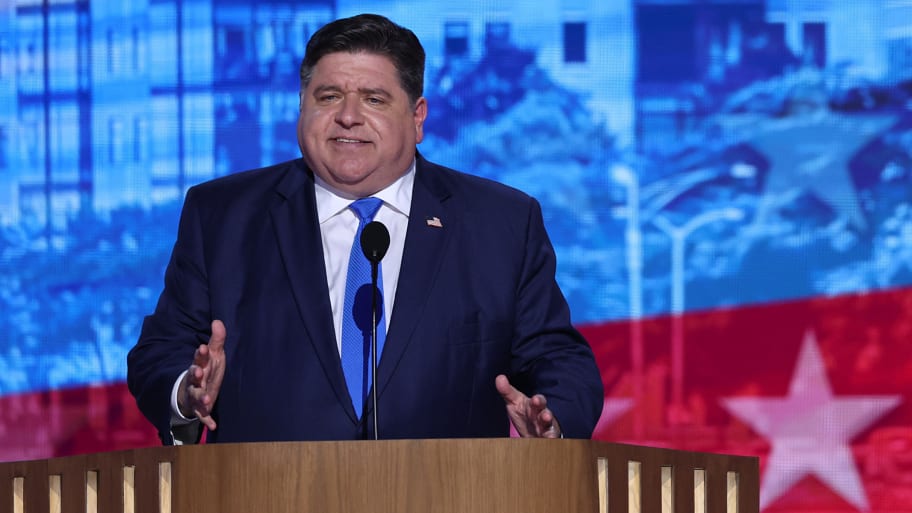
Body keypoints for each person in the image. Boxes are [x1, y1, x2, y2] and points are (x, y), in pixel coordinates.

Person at [127, 13, 603, 445]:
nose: (348, 116)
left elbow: (559, 360)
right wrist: (186, 395)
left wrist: (552, 423)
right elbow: (162, 351)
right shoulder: (223, 215)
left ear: (417, 118)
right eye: (328, 96)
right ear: (302, 106)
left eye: (373, 99)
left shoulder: (500, 222)